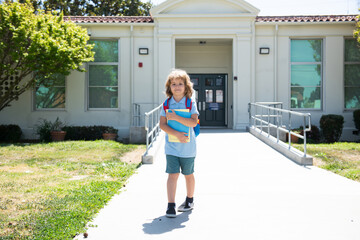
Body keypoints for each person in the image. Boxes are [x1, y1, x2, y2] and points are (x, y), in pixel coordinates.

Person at [159, 69, 199, 218]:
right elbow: (162, 125)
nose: (176, 87)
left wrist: (175, 117)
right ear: (169, 86)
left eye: (180, 84)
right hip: (172, 147)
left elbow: (193, 122)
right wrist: (176, 134)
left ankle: (189, 200)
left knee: (188, 174)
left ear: (186, 86)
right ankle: (171, 205)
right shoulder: (166, 104)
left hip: (188, 147)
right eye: (173, 84)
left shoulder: (190, 102)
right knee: (172, 175)